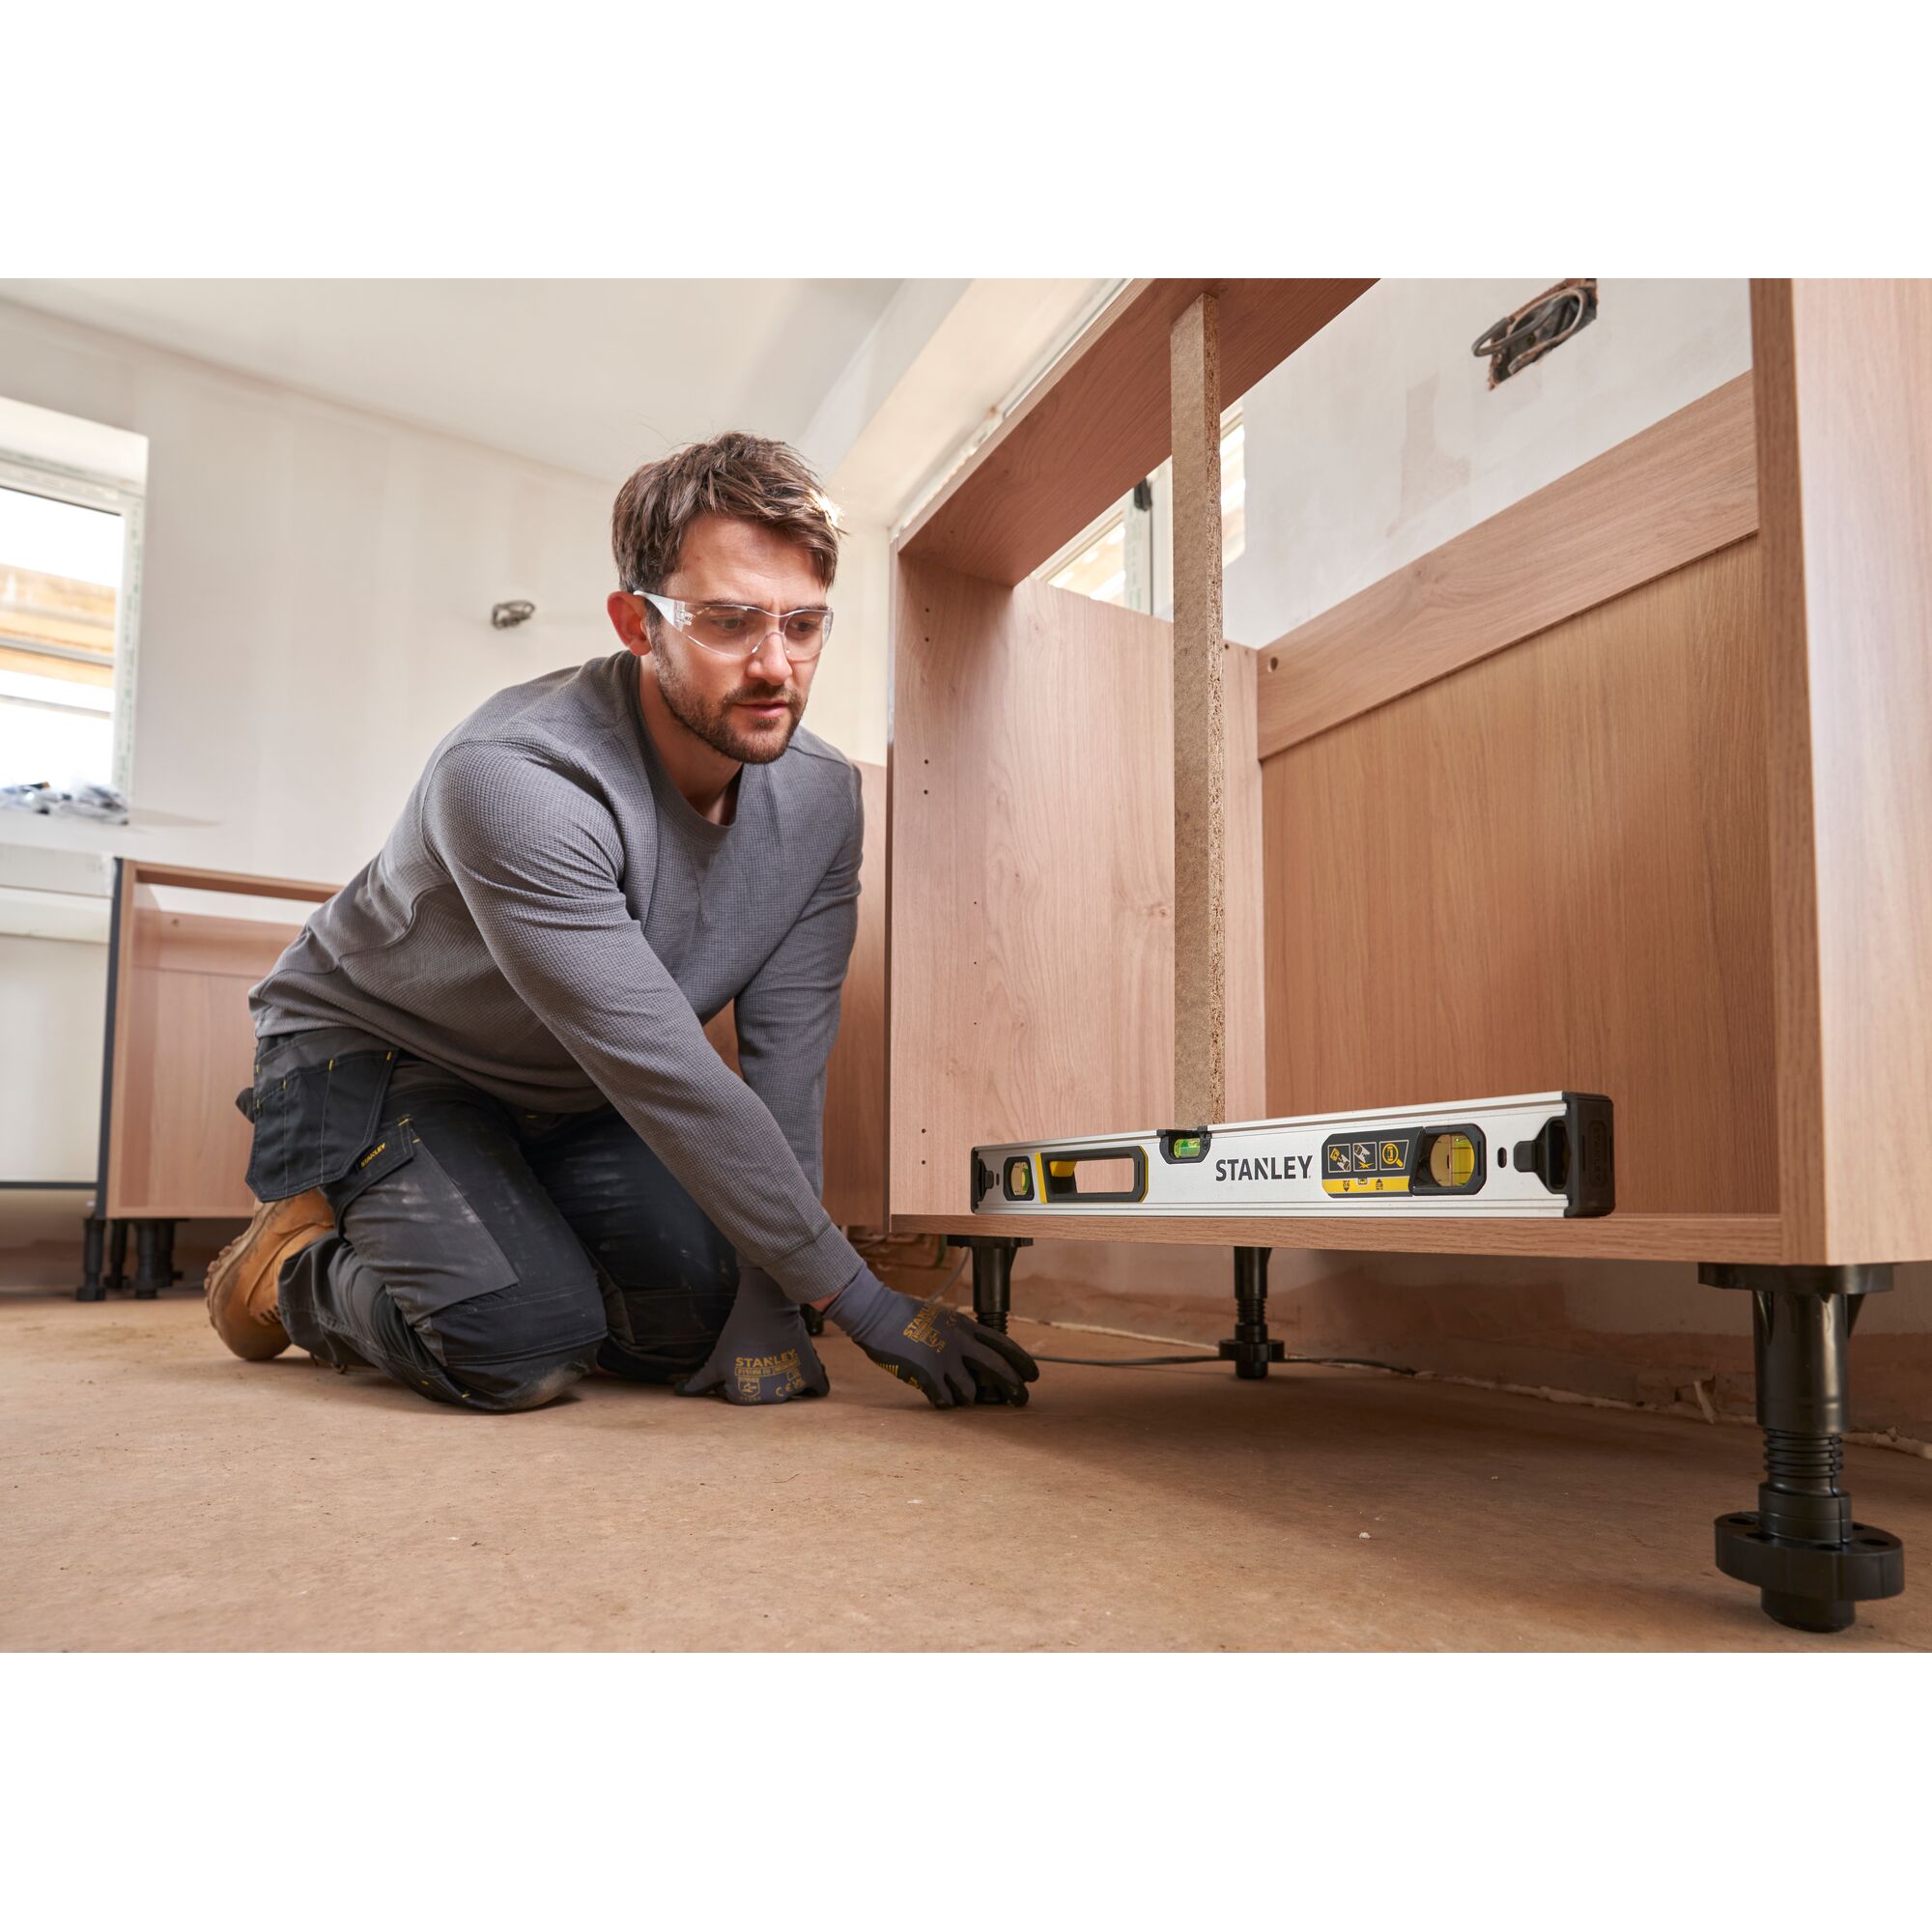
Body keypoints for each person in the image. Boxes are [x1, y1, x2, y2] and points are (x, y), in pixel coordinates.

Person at [205, 431, 1037, 1415]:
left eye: (803, 623)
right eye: (728, 621)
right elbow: (666, 1068)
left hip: (570, 1084)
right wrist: (858, 1300)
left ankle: (506, 1234)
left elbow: (787, 1063)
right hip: (380, 1056)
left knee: (704, 1313)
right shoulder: (515, 777)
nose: (776, 665)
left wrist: (776, 1298)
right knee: (517, 1345)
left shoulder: (823, 800)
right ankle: (290, 1266)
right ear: (638, 622)